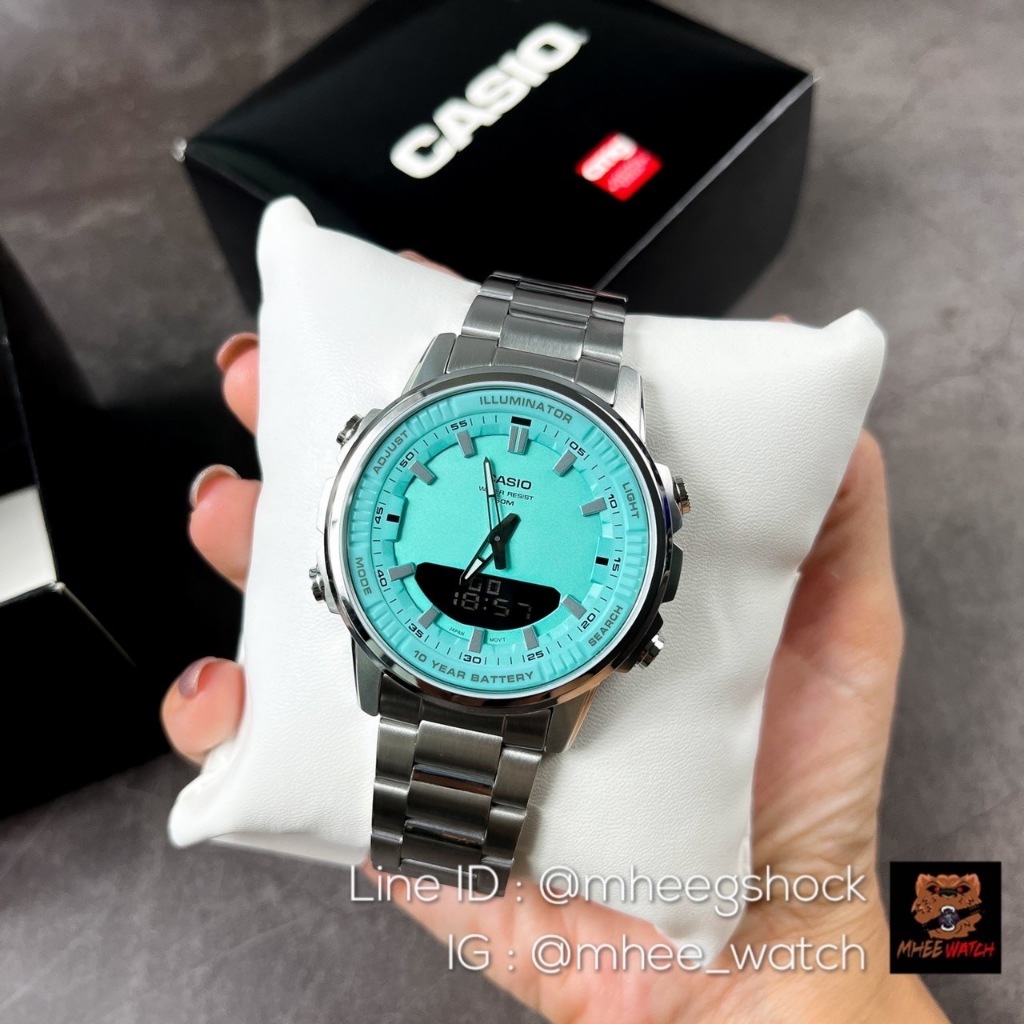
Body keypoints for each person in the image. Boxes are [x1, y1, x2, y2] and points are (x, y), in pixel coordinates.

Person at [161, 256, 950, 1023]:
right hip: (417, 651)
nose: (497, 549)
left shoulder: (621, 547)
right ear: (328, 575)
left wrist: (738, 994)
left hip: (534, 681)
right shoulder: (383, 525)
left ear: (662, 545)